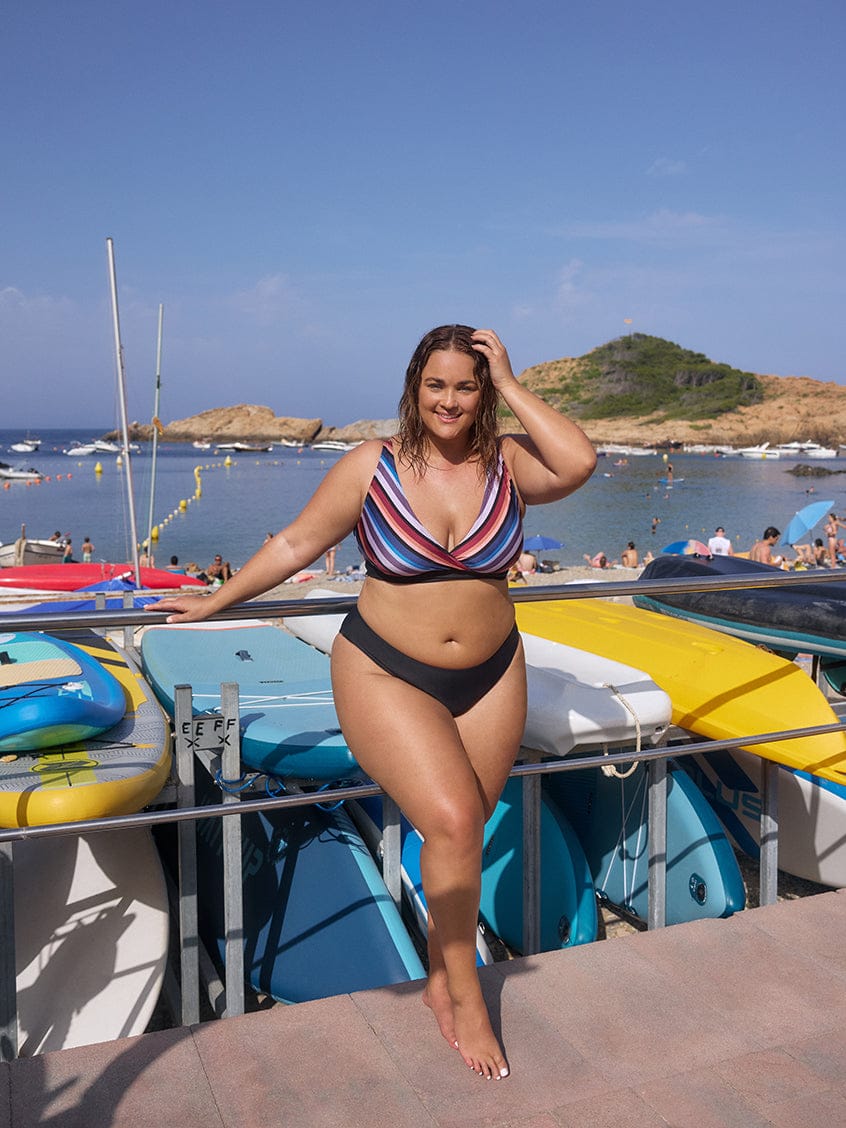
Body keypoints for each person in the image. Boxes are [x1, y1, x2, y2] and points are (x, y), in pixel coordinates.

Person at [149, 325, 596, 1080]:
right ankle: (466, 995)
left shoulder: (510, 463)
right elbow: (295, 545)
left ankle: (435, 978)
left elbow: (580, 460)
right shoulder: (371, 465)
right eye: (436, 385)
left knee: (460, 829)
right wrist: (215, 602)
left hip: (493, 669)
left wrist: (513, 381)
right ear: (413, 388)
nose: (450, 400)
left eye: (466, 385)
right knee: (454, 822)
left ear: (483, 392)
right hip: (386, 670)